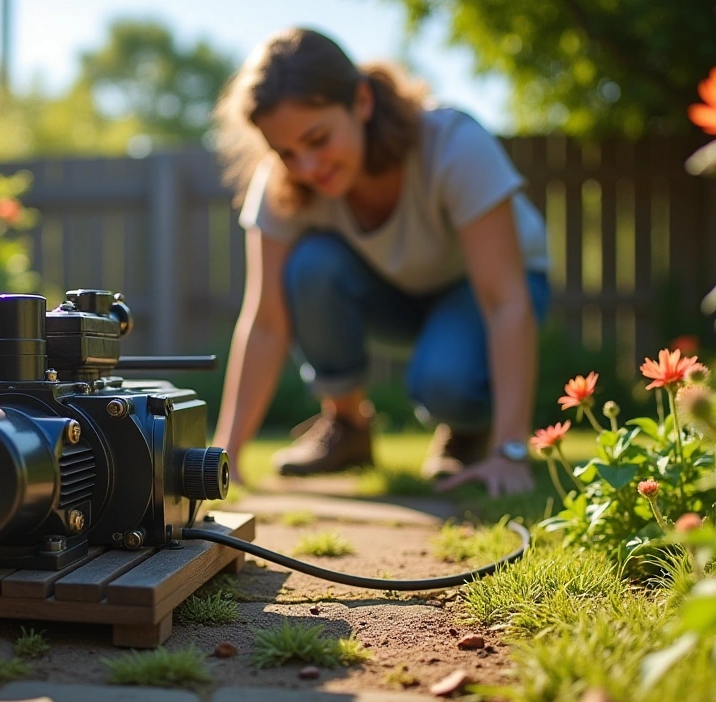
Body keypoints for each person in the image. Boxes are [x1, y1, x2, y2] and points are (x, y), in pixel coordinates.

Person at [208, 27, 550, 498]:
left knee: (446, 383)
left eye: (318, 139)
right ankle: (347, 427)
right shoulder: (284, 183)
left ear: (362, 102)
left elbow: (505, 301)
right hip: (397, 293)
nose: (307, 167)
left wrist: (511, 451)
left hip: (486, 290)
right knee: (312, 266)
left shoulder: (453, 144)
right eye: (285, 153)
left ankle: (470, 428)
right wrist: (225, 453)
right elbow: (265, 322)